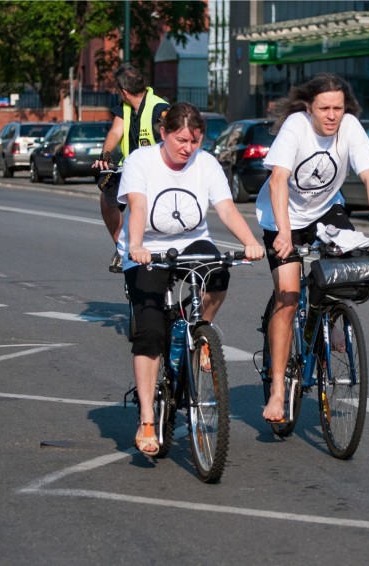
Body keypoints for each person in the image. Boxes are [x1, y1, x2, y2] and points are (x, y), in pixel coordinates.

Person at [118, 102, 265, 456]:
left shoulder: (206, 163)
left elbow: (226, 207)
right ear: (164, 134)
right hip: (149, 248)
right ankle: (148, 419)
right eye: (181, 139)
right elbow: (137, 206)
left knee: (218, 273)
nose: (188, 148)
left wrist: (249, 241)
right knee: (150, 330)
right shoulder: (142, 162)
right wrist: (135, 245)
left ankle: (200, 333)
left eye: (195, 141)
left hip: (191, 243)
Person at [256, 73, 369, 424]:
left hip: (325, 211)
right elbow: (277, 180)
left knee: (347, 264)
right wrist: (286, 234)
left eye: (338, 107)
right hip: (282, 215)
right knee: (288, 296)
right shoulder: (296, 126)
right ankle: (277, 390)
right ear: (309, 107)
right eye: (324, 108)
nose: (332, 115)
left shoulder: (350, 127)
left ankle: (330, 314)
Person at [94, 63, 170, 273]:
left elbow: (170, 140)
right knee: (107, 200)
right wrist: (104, 155)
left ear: (124, 92)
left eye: (118, 90)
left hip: (156, 172)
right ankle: (122, 247)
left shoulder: (159, 108)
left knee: (146, 210)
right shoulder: (125, 108)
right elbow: (115, 132)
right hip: (130, 169)